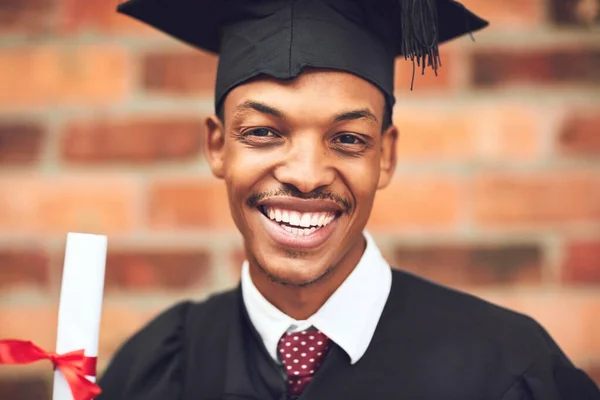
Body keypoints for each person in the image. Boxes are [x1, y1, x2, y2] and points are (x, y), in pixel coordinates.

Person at [98, 0, 600, 399]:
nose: (307, 175)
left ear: (385, 157)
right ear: (217, 146)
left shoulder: (505, 370)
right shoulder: (152, 372)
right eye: (264, 132)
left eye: (347, 139)